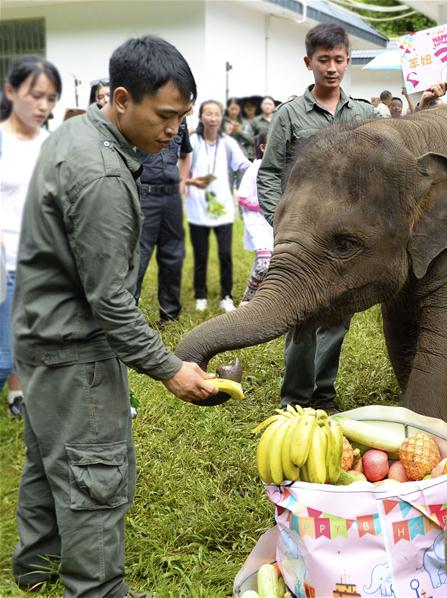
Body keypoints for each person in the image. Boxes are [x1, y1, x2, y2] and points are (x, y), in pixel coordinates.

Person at [11, 35, 213, 596]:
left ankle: (36, 571)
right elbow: (110, 301)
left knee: (49, 459)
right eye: (165, 115)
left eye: (182, 118)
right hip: (74, 346)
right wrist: (170, 367)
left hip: (39, 333)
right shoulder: (101, 175)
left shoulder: (76, 130)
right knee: (94, 475)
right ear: (122, 99)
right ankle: (95, 589)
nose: (173, 131)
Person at [257, 22, 377, 412]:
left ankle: (323, 395)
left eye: (339, 60)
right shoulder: (290, 116)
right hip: (303, 237)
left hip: (344, 238)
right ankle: (294, 399)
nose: (331, 67)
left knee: (338, 315)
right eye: (323, 60)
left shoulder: (364, 114)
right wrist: (283, 223)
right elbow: (270, 172)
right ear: (309, 62)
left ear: (348, 62)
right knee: (299, 315)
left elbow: (386, 164)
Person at [1, 55, 61, 419]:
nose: (44, 105)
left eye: (51, 98)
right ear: (10, 91)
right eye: (36, 95)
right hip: (4, 259)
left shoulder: (53, 143)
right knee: (4, 347)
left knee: (30, 336)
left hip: (40, 258)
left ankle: (18, 393)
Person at [184, 99, 251, 313]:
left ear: (221, 117)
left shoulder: (228, 143)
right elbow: (183, 171)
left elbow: (243, 165)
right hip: (198, 207)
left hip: (222, 208)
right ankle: (200, 295)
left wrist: (258, 167)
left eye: (216, 114)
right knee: (201, 255)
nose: (212, 118)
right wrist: (191, 182)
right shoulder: (193, 141)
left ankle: (226, 296)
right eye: (208, 114)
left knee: (224, 255)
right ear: (201, 116)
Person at [134, 116, 192, 326]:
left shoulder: (182, 122)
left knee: (173, 254)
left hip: (171, 197)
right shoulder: (143, 114)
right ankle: (128, 312)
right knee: (138, 255)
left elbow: (185, 155)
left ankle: (169, 315)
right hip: (144, 195)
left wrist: (182, 182)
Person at [236, 131, 273, 303]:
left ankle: (263, 299)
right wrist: (265, 204)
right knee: (264, 263)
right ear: (263, 147)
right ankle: (247, 300)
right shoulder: (255, 168)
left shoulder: (277, 168)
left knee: (271, 261)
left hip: (273, 221)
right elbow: (242, 197)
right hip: (257, 221)